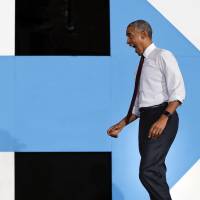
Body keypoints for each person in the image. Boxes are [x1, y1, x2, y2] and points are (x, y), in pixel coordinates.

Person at [107, 19, 186, 200]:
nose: (128, 42)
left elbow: (178, 92)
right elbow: (138, 106)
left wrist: (164, 117)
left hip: (163, 115)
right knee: (156, 172)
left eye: (130, 35)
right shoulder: (140, 66)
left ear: (144, 35)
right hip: (146, 119)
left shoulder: (163, 55)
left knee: (147, 171)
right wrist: (121, 124)